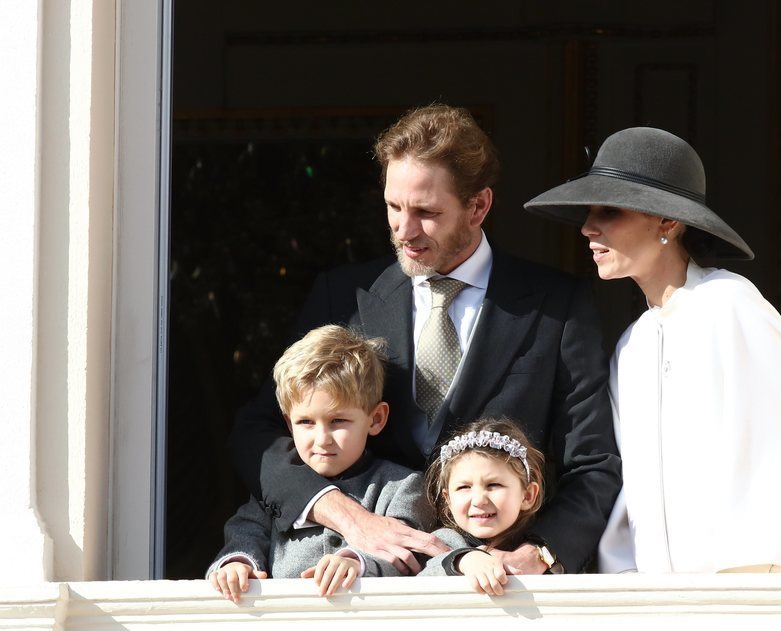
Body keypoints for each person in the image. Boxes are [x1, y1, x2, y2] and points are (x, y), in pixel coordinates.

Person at [229, 104, 621, 576]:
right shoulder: (343, 296)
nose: (404, 230)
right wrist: (347, 516)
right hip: (355, 587)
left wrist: (539, 552)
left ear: (479, 206)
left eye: (425, 212)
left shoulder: (556, 306)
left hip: (500, 595)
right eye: (394, 207)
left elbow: (593, 462)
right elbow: (260, 431)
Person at [524, 127, 781, 573]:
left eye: (609, 210)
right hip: (662, 604)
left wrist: (741, 574)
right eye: (590, 211)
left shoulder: (729, 305)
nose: (588, 226)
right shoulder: (632, 346)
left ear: (668, 222)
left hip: (742, 598)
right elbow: (633, 492)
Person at [208, 325, 435, 601]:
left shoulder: (403, 486)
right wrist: (238, 565)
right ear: (288, 424)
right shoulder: (273, 495)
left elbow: (406, 553)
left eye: (338, 421)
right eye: (306, 422)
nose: (322, 439)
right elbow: (245, 533)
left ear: (376, 419)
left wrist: (356, 562)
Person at [418, 418, 548, 595]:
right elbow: (421, 579)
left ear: (527, 495)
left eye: (493, 485)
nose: (479, 500)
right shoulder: (443, 541)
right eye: (464, 487)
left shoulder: (537, 545)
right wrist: (463, 559)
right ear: (448, 500)